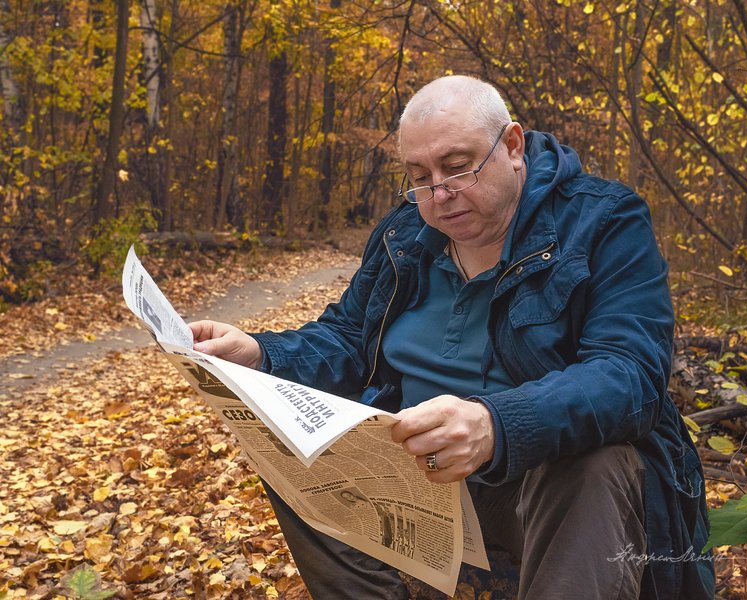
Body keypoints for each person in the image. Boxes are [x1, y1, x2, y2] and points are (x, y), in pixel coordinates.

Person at [189, 75, 715, 599]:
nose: (438, 194)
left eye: (458, 168)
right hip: (420, 480)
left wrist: (495, 423)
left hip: (534, 486)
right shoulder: (404, 234)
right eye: (419, 176)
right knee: (291, 447)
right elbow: (351, 337)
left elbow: (631, 375)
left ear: (511, 146)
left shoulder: (603, 221)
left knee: (594, 466)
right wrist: (260, 353)